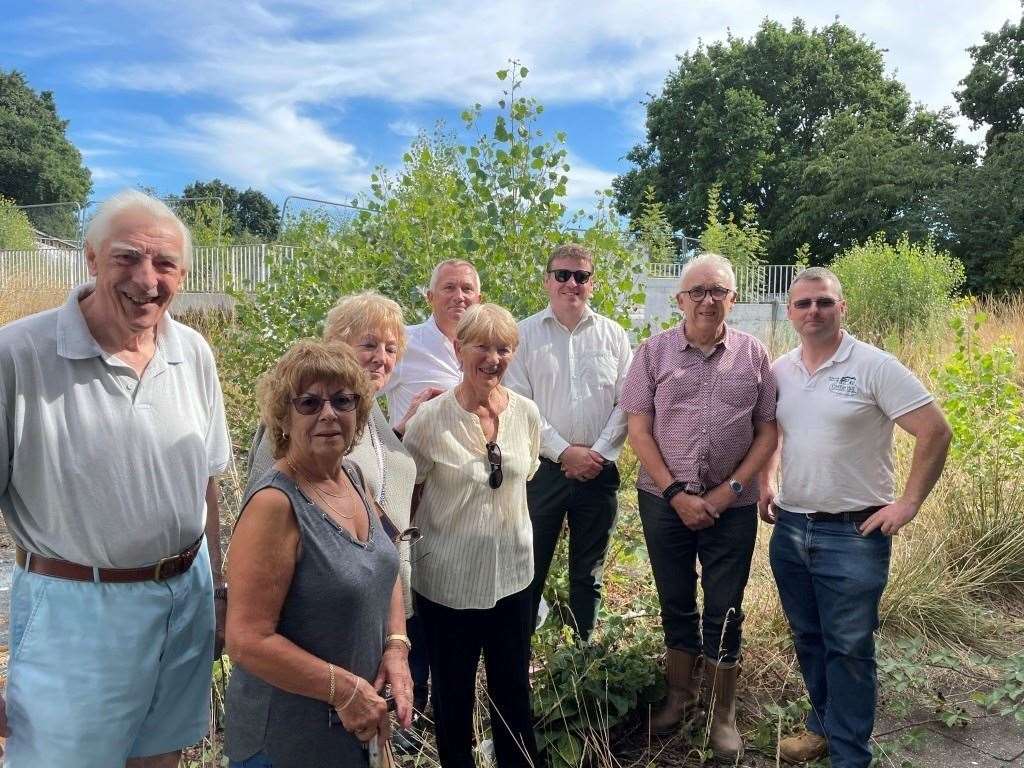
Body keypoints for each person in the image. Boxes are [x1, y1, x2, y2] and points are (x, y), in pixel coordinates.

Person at [0, 189, 230, 767]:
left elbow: (207, 481)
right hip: (76, 615)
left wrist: (219, 593)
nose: (146, 279)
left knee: (161, 758)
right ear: (91, 259)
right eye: (127, 257)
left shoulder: (193, 352)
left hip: (185, 600)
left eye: (165, 264)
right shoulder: (19, 356)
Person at [761, 267, 951, 768]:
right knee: (808, 637)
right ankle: (821, 727)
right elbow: (776, 434)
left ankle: (850, 755)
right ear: (790, 313)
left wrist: (908, 503)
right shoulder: (780, 370)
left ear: (841, 308)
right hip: (791, 526)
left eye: (823, 302)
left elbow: (935, 431)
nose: (813, 312)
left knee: (848, 648)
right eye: (802, 304)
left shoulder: (873, 366)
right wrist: (767, 480)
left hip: (853, 532)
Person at [224, 339, 413, 768]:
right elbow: (246, 640)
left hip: (354, 730)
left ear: (359, 412)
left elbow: (383, 565)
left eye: (342, 400)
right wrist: (345, 690)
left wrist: (396, 648)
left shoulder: (353, 476)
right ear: (284, 418)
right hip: (287, 740)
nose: (328, 413)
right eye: (309, 402)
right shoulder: (276, 504)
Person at [621, 253, 778, 759]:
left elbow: (768, 430)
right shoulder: (652, 353)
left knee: (726, 607)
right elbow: (638, 429)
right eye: (698, 292)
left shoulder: (754, 354)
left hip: (731, 505)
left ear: (733, 298)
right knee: (676, 600)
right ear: (680, 299)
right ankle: (679, 695)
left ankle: (723, 713)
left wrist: (727, 492)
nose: (708, 300)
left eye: (719, 291)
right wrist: (675, 493)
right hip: (663, 501)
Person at [402, 303, 541, 768]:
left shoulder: (526, 414)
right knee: (453, 698)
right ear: (459, 348)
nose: (493, 357)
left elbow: (528, 474)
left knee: (513, 694)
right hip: (447, 583)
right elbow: (410, 495)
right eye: (481, 345)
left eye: (503, 348)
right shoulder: (430, 419)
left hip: (513, 580)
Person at [245, 292, 424, 628]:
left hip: (388, 600)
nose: (381, 358)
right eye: (369, 345)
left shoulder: (372, 415)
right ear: (336, 344)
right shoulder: (304, 418)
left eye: (390, 348)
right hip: (329, 609)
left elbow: (378, 476)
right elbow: (264, 508)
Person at [505, 243, 632, 640]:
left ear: (592, 284)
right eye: (562, 275)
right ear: (547, 281)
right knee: (529, 568)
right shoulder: (522, 335)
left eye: (581, 276)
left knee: (588, 572)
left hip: (599, 471)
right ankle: (518, 656)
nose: (571, 283)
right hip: (542, 472)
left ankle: (581, 655)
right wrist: (564, 452)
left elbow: (628, 402)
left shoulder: (614, 336)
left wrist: (595, 454)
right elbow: (519, 404)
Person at [383, 258, 481, 430]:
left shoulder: (491, 352)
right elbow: (358, 397)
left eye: (467, 289)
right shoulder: (401, 342)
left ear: (479, 299)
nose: (459, 297)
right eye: (449, 288)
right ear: (430, 297)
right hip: (413, 456)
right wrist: (383, 447)